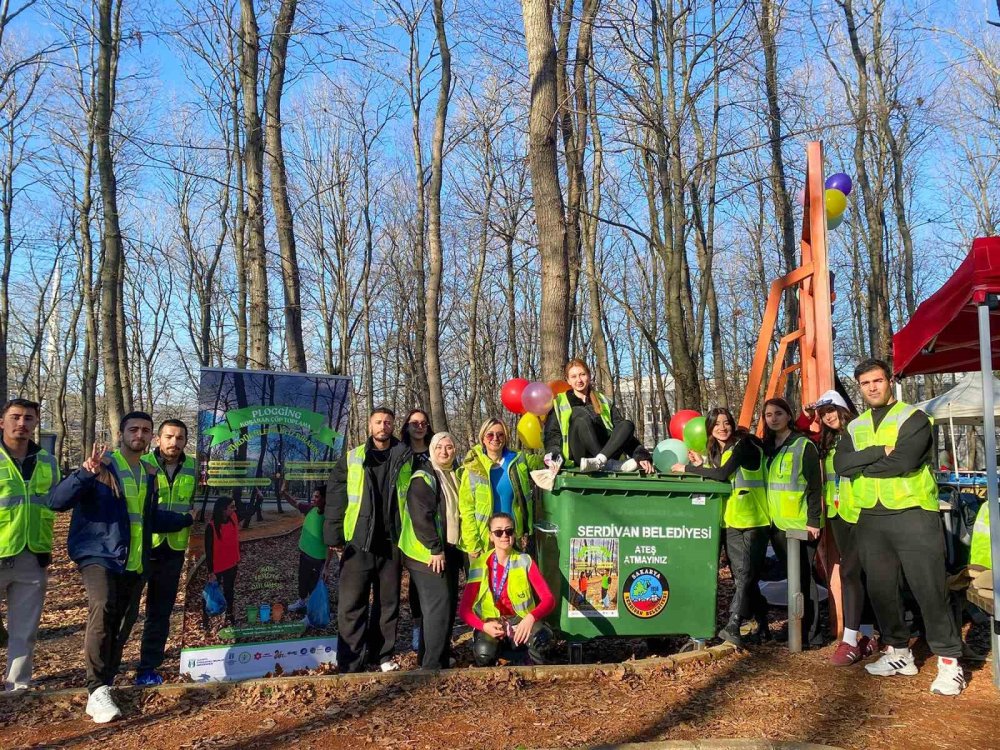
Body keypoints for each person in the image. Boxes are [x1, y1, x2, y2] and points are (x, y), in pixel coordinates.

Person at [48, 412, 194, 723]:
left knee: (122, 621)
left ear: (149, 436)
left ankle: (107, 682)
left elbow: (149, 518)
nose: (139, 434)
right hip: (98, 554)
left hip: (134, 559)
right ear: (122, 432)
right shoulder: (102, 465)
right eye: (133, 429)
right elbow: (57, 501)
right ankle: (96, 687)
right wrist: (84, 474)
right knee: (102, 606)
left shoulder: (147, 473)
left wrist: (186, 519)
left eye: (144, 430)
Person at [834, 358, 965, 695]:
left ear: (889, 381)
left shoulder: (914, 417)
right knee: (881, 589)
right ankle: (898, 652)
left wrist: (864, 464)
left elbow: (905, 462)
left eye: (877, 381)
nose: (872, 388)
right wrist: (879, 452)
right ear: (859, 388)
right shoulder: (855, 427)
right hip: (871, 519)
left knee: (929, 588)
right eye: (865, 383)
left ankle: (949, 661)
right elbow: (842, 465)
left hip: (912, 514)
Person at [325, 406, 413, 673]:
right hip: (358, 542)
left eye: (388, 422)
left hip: (392, 543)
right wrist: (334, 535)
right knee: (351, 605)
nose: (383, 426)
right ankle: (350, 661)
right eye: (378, 421)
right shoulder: (353, 458)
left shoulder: (406, 456)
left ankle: (382, 655)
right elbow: (336, 497)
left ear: (393, 426)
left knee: (388, 605)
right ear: (369, 425)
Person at [673, 407, 770, 647]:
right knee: (743, 576)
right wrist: (703, 462)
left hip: (754, 520)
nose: (722, 427)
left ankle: (733, 624)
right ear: (709, 428)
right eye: (716, 424)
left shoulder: (744, 445)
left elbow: (722, 474)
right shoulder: (720, 450)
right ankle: (763, 623)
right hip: (731, 520)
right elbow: (719, 472)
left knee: (745, 575)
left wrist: (687, 468)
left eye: (726, 422)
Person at [808, 390, 879, 666]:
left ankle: (852, 639)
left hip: (860, 512)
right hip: (837, 513)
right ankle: (866, 632)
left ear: (842, 409)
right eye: (823, 414)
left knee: (852, 571)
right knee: (855, 573)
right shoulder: (827, 441)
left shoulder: (858, 433)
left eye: (832, 411)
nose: (828, 417)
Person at [0, 398, 63, 692]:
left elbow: (59, 501)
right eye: (15, 417)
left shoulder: (48, 463)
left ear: (36, 423)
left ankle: (17, 686)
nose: (21, 423)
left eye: (28, 418)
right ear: (3, 422)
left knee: (24, 631)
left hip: (32, 556)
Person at [135, 419, 196, 686]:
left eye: (180, 438)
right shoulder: (141, 463)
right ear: (158, 439)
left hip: (174, 549)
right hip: (140, 546)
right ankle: (108, 670)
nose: (174, 442)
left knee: (160, 612)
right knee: (124, 611)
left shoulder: (194, 467)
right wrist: (183, 519)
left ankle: (148, 667)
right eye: (169, 436)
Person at [761, 397, 824, 647]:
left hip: (800, 524)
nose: (773, 418)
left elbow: (814, 486)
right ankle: (796, 627)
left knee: (804, 578)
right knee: (791, 578)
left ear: (788, 416)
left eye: (778, 413)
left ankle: (812, 633)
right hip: (777, 525)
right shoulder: (768, 447)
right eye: (768, 415)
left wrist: (813, 520)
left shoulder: (803, 445)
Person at [459, 512, 555, 666]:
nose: (504, 536)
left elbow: (549, 599)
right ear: (491, 536)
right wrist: (484, 626)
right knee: (484, 651)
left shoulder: (525, 561)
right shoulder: (480, 564)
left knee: (543, 640)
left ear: (514, 534)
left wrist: (531, 617)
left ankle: (530, 667)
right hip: (493, 623)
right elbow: (464, 610)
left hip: (521, 621)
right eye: (498, 532)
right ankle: (495, 669)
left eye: (508, 531)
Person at [543, 359, 652, 473]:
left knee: (627, 425)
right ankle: (607, 464)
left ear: (589, 376)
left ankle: (600, 461)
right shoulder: (559, 401)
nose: (579, 380)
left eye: (582, 375)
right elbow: (552, 436)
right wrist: (554, 458)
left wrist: (640, 455)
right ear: (568, 380)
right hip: (580, 455)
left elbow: (621, 433)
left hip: (607, 452)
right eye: (574, 376)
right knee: (580, 416)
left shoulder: (603, 400)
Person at [398, 448, 452, 669]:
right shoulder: (423, 477)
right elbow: (421, 516)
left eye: (449, 447)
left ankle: (428, 657)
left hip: (433, 550)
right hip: (424, 552)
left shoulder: (447, 474)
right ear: (431, 451)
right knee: (438, 607)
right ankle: (432, 665)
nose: (444, 451)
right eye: (438, 447)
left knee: (435, 607)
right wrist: (434, 547)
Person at [459, 418, 533, 559]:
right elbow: (466, 509)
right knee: (484, 581)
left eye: (500, 434)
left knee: (511, 580)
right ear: (483, 438)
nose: (495, 438)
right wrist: (472, 544)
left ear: (505, 438)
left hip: (510, 537)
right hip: (484, 540)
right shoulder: (474, 467)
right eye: (490, 434)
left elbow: (542, 462)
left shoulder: (517, 461)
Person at [401, 409, 432, 651]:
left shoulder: (435, 451)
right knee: (410, 580)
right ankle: (415, 626)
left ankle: (427, 628)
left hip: (429, 525)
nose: (419, 426)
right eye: (414, 423)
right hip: (401, 524)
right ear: (407, 426)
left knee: (423, 581)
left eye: (423, 423)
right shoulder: (400, 453)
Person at [289, 487, 332, 614]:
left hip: (318, 559)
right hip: (304, 554)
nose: (313, 499)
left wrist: (327, 567)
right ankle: (301, 602)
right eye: (313, 496)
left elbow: (331, 544)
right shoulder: (310, 509)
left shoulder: (329, 518)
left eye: (317, 496)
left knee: (314, 585)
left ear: (324, 499)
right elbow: (295, 503)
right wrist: (284, 493)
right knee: (302, 580)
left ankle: (313, 611)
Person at [204, 496, 241, 625]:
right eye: (231, 507)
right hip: (217, 567)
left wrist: (259, 499)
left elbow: (250, 512)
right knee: (212, 591)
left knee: (229, 590)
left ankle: (229, 614)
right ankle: (206, 617)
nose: (234, 509)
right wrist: (211, 571)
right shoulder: (211, 527)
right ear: (223, 509)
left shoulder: (234, 519)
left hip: (231, 564)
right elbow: (208, 551)